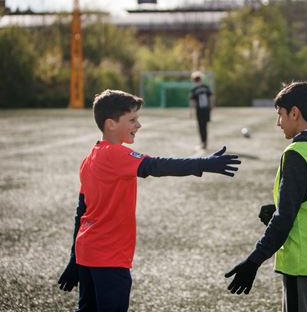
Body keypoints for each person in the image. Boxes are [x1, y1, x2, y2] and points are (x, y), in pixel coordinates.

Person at [58, 89, 241, 312]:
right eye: (132, 120)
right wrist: (203, 164)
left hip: (87, 252)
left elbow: (81, 212)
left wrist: (74, 259)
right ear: (111, 124)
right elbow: (156, 166)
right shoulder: (114, 154)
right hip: (108, 256)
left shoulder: (89, 158)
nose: (139, 125)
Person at [225, 81, 307, 312]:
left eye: (280, 114)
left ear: (294, 113)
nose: (278, 122)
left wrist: (253, 261)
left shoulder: (297, 152)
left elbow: (285, 220)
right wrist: (279, 207)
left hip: (304, 262)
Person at [189, 71, 214, 150]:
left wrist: (191, 111)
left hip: (199, 110)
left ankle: (203, 143)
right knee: (205, 126)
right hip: (206, 109)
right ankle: (205, 142)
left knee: (201, 127)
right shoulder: (206, 87)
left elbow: (192, 101)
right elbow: (211, 97)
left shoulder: (194, 89)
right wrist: (212, 106)